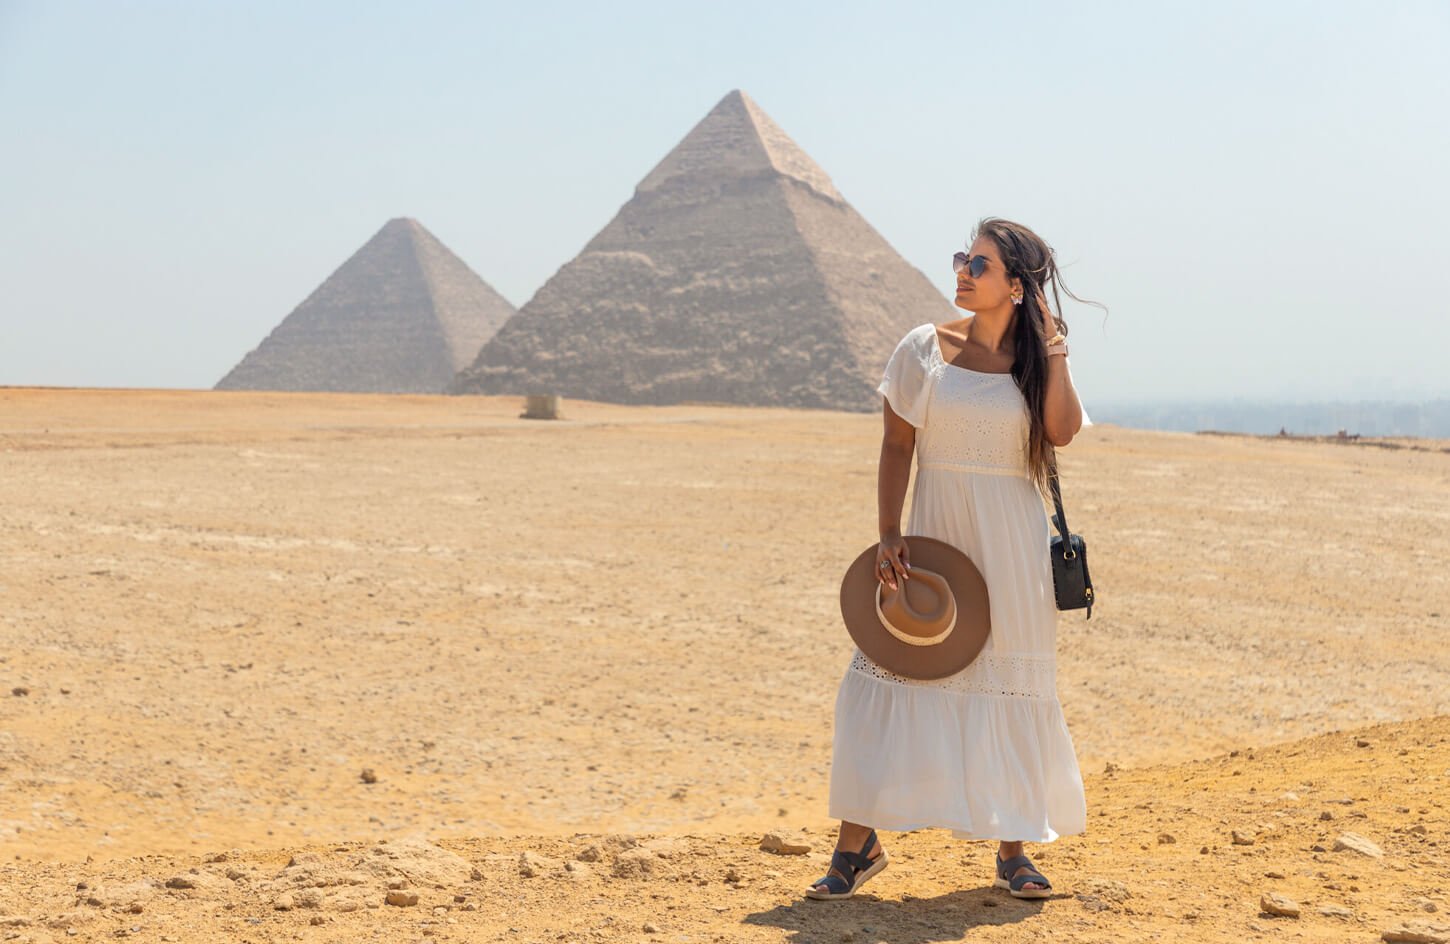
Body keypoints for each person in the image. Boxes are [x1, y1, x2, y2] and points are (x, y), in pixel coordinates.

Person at [806, 217, 1100, 901]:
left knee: (1010, 684)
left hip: (1013, 545)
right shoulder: (924, 350)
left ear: (1019, 288)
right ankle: (858, 843)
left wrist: (1056, 355)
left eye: (982, 265)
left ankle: (1015, 848)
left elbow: (1060, 432)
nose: (964, 272)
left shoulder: (1035, 363)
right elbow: (897, 447)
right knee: (889, 672)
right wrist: (887, 533)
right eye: (963, 259)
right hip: (936, 537)